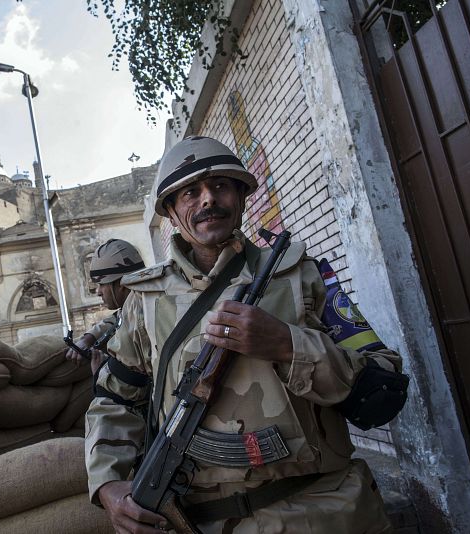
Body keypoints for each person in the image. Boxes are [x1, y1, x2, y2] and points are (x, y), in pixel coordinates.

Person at [85, 136, 401, 533]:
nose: (207, 199)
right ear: (171, 211)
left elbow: (384, 390)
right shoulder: (143, 300)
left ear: (240, 197)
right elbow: (114, 399)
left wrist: (288, 345)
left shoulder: (301, 274)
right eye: (190, 193)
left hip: (323, 512)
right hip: (200, 522)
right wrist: (107, 483)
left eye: (220, 186)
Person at [66, 239, 145, 373]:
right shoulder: (137, 303)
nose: (98, 292)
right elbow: (116, 319)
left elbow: (130, 383)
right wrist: (88, 338)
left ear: (121, 284)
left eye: (102, 284)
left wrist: (100, 372)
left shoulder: (138, 322)